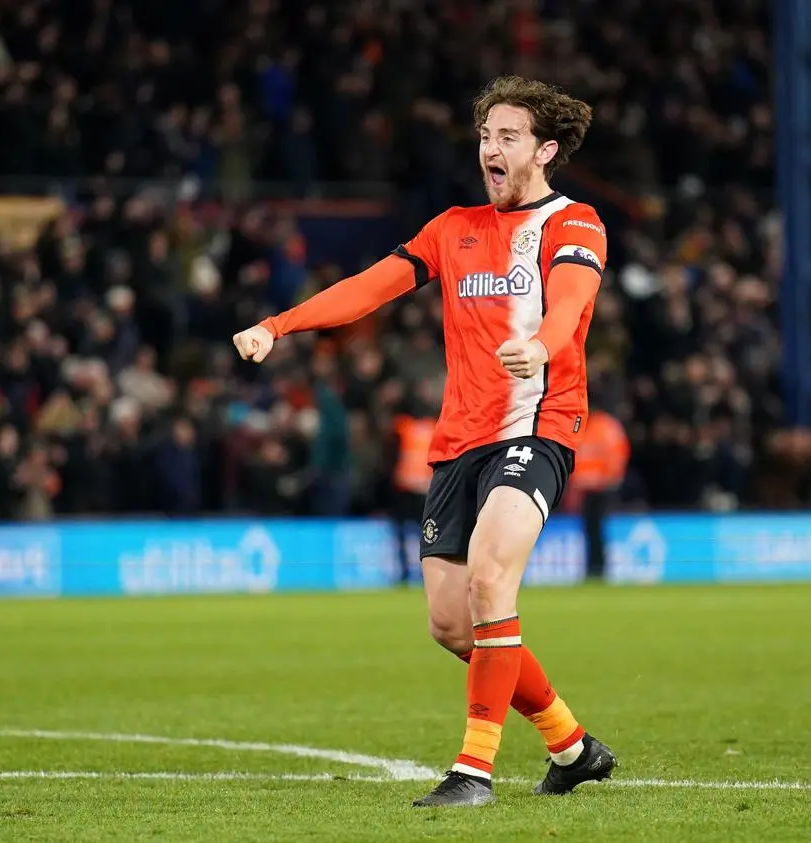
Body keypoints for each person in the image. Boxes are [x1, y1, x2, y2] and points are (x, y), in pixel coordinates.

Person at [233, 76, 616, 807]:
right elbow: (370, 287)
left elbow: (570, 297)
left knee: (490, 580)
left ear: (546, 150)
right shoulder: (452, 228)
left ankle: (473, 771)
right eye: (484, 136)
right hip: (459, 439)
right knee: (453, 623)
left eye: (507, 137)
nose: (490, 149)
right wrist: (277, 326)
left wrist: (541, 344)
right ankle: (571, 745)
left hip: (535, 425)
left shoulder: (576, 223)